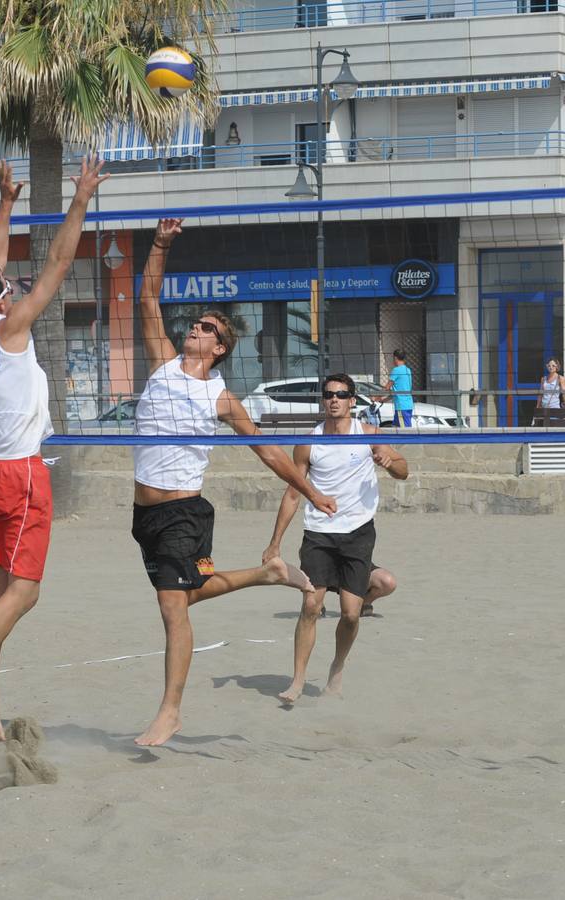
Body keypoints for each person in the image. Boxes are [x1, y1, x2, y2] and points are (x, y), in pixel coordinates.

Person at [131, 217, 338, 747]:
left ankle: (170, 711)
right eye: (196, 325)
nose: (194, 330)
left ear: (220, 348)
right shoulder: (162, 365)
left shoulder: (221, 398)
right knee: (192, 591)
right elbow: (148, 299)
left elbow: (267, 450)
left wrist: (311, 491)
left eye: (206, 329)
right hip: (145, 516)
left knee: (172, 607)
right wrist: (160, 244)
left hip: (184, 513)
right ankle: (268, 574)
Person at [0, 155, 109, 742]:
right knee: (26, 593)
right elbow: (59, 261)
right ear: (3, 301)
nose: (12, 288)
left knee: (1, 591)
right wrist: (81, 198)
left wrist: (7, 203)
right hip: (21, 476)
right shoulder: (11, 330)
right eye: (9, 288)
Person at [263, 374, 408, 703]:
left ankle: (337, 669)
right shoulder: (309, 442)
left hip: (357, 535)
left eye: (342, 395)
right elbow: (292, 494)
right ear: (322, 400)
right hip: (318, 534)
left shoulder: (369, 435)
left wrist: (389, 462)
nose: (334, 400)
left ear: (352, 401)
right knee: (311, 605)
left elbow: (404, 471)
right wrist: (274, 542)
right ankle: (297, 680)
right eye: (329, 395)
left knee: (350, 614)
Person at [386, 350, 414, 428]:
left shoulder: (396, 370)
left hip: (401, 406)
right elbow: (398, 389)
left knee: (405, 432)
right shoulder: (408, 370)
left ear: (395, 358)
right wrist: (382, 399)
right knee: (395, 429)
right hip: (408, 404)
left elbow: (387, 387)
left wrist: (376, 397)